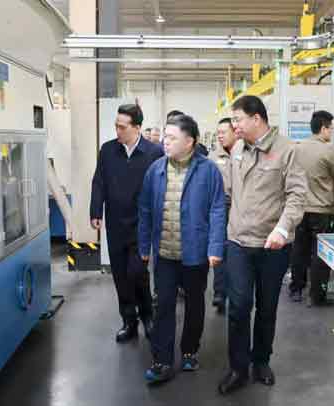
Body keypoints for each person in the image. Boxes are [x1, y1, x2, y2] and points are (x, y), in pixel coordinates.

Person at [218, 95, 306, 395]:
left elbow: (297, 196)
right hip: (238, 242)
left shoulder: (288, 150)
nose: (234, 126)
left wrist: (282, 229)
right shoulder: (237, 149)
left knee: (267, 307)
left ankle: (261, 361)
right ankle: (238, 367)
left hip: (273, 246)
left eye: (238, 119)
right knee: (239, 305)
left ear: (257, 118)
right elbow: (227, 193)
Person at [138, 114, 225, 384]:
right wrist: (144, 246)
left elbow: (217, 210)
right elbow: (145, 209)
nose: (165, 141)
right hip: (164, 254)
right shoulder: (155, 170)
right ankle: (162, 360)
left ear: (189, 142)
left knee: (195, 304)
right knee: (163, 305)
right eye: (165, 136)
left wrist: (215, 247)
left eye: (171, 137)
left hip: (195, 254)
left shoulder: (208, 171)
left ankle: (189, 350)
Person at [90, 104, 164, 343]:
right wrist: (95, 211)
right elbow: (99, 181)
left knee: (138, 273)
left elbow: (160, 188)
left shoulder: (154, 153)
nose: (118, 131)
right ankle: (128, 321)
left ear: (137, 128)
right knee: (120, 275)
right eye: (116, 126)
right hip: (115, 223)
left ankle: (147, 317)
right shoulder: (108, 150)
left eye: (122, 127)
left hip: (141, 225)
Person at [289, 111, 334, 306]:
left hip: (299, 209)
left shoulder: (296, 149)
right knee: (320, 254)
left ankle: (296, 289)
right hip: (322, 211)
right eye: (331, 128)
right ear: (323, 128)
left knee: (299, 250)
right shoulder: (329, 152)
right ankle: (317, 295)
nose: (331, 132)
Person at [209, 117, 238, 313]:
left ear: (235, 132)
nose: (220, 135)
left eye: (223, 132)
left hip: (241, 207)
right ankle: (219, 293)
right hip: (221, 206)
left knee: (236, 252)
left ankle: (236, 293)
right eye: (218, 132)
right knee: (220, 249)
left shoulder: (244, 154)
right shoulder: (213, 157)